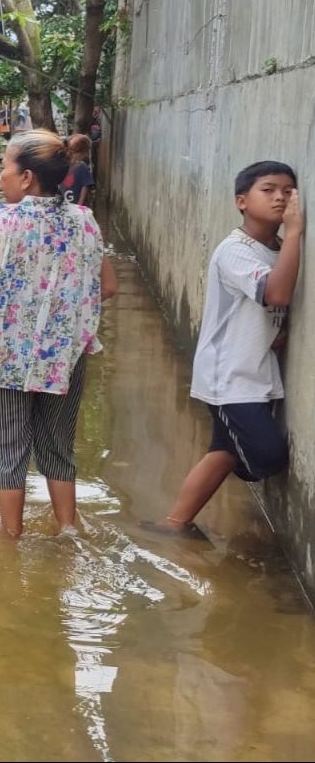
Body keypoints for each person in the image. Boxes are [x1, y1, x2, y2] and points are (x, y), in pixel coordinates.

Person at [0, 131, 117, 538]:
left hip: (9, 355)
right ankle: (68, 531)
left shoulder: (4, 219)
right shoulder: (85, 220)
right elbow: (109, 287)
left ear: (27, 177)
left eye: (5, 168)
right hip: (66, 354)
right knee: (58, 447)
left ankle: (10, 540)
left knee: (10, 448)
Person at [155, 162, 302, 535]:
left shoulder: (279, 250)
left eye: (287, 190)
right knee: (266, 458)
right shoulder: (234, 251)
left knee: (224, 448)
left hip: (251, 371)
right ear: (241, 201)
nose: (280, 197)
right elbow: (277, 293)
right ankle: (179, 519)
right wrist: (297, 230)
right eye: (268, 190)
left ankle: (174, 524)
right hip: (228, 375)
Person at [60, 140, 95, 206]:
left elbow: (85, 186)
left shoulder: (82, 167)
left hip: (75, 202)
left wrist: (80, 203)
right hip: (62, 201)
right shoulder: (60, 166)